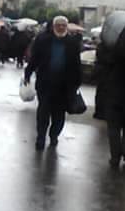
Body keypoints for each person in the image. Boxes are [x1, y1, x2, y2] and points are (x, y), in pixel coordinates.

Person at [24, 16, 82, 151]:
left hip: (64, 86)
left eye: (63, 25)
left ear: (66, 27)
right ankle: (41, 137)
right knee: (43, 112)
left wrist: (77, 82)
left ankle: (54, 135)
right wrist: (28, 72)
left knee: (59, 115)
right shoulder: (43, 40)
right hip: (45, 83)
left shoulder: (72, 43)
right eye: (58, 25)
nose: (61, 27)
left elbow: (76, 64)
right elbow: (35, 58)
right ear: (53, 26)